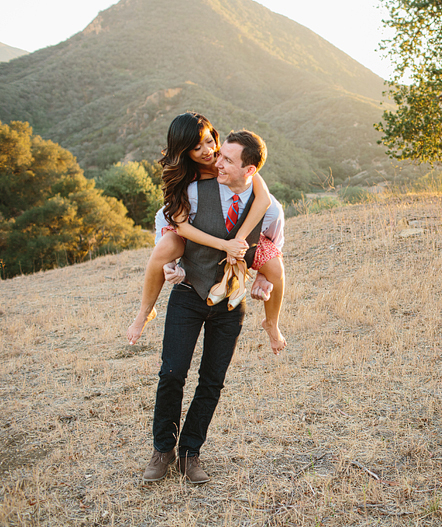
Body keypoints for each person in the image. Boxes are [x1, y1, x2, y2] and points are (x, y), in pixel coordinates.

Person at [142, 129, 275, 484]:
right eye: (219, 154)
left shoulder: (269, 205)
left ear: (250, 170)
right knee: (171, 374)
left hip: (231, 302)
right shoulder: (194, 191)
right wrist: (171, 265)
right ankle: (162, 450)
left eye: (227, 159)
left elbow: (273, 251)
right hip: (188, 293)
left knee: (212, 381)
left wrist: (264, 279)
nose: (217, 161)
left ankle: (190, 453)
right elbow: (167, 226)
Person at [126, 112, 281, 348]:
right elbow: (178, 225)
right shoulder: (185, 177)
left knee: (276, 268)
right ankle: (145, 312)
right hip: (190, 229)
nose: (208, 151)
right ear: (185, 150)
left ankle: (272, 323)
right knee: (165, 247)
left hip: (235, 230)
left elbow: (264, 201)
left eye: (209, 141)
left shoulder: (230, 158)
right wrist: (174, 262)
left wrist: (238, 242)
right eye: (197, 147)